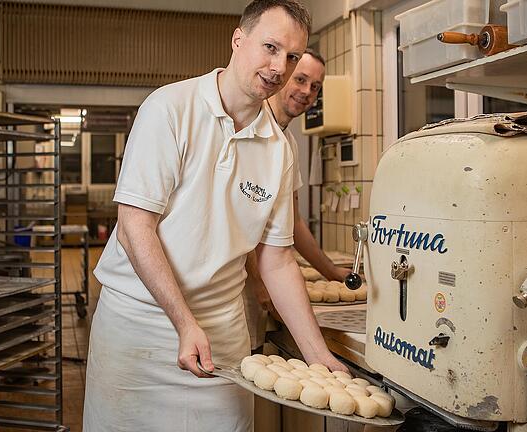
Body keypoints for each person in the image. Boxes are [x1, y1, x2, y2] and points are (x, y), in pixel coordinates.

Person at [83, 1, 347, 431]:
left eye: (292, 56)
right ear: (238, 39)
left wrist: (317, 355)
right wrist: (184, 323)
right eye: (270, 47)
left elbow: (276, 260)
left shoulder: (279, 150)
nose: (280, 66)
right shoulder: (170, 108)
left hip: (221, 337)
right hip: (139, 329)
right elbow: (135, 229)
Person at [243, 49, 349, 348]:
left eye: (315, 86)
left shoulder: (288, 143)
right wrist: (258, 281)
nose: (306, 92)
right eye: (300, 79)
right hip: (234, 283)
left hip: (260, 280)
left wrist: (330, 272)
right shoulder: (250, 129)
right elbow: (241, 219)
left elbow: (293, 221)